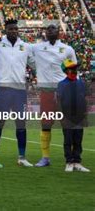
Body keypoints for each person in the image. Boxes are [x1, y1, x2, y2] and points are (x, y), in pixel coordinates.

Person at [32, 24, 77, 167]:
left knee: (67, 125)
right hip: (46, 91)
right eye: (48, 29)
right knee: (45, 125)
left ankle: (69, 158)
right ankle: (45, 158)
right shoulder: (37, 48)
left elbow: (72, 72)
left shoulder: (67, 49)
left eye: (53, 29)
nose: (50, 30)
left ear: (59, 33)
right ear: (45, 32)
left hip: (63, 91)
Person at [0, 19, 34, 167]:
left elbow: (36, 63)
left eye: (15, 29)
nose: (13, 31)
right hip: (2, 90)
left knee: (21, 123)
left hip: (19, 91)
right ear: (5, 30)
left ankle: (22, 157)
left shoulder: (26, 46)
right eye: (10, 29)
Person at [57, 59, 90, 172]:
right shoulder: (62, 84)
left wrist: (85, 116)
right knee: (68, 140)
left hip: (79, 117)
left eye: (75, 68)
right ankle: (69, 162)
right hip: (68, 117)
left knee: (78, 140)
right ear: (66, 71)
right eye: (72, 68)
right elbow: (59, 102)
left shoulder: (81, 83)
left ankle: (77, 162)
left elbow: (84, 100)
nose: (75, 70)